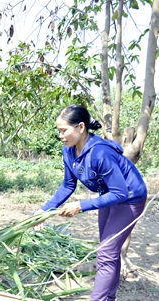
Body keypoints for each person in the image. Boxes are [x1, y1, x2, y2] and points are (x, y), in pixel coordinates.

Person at [34, 104, 147, 301]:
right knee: (109, 251)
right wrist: (43, 211)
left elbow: (120, 193)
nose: (60, 135)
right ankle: (108, 297)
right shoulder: (68, 151)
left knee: (105, 252)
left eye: (64, 130)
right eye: (59, 130)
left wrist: (81, 205)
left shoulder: (100, 152)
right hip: (108, 194)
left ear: (80, 127)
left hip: (129, 197)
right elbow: (68, 185)